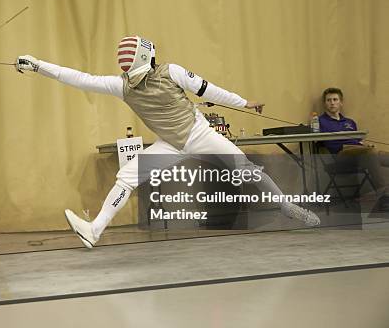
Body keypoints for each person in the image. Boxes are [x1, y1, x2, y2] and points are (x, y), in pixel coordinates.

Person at [16, 35, 320, 248]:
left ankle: (286, 206)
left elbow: (208, 91)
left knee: (247, 170)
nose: (132, 78)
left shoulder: (171, 72)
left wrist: (243, 103)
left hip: (200, 133)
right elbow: (80, 78)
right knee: (127, 177)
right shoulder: (122, 85)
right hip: (170, 143)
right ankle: (94, 230)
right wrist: (39, 65)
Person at [319, 87, 389, 207]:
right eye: (328, 100)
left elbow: (357, 141)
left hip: (360, 153)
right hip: (341, 154)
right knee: (370, 153)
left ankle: (383, 195)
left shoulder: (350, 122)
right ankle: (384, 197)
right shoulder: (320, 121)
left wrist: (364, 145)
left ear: (341, 103)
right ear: (325, 103)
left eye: (335, 99)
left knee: (379, 155)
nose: (332, 103)